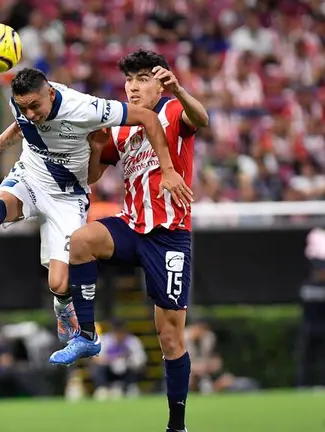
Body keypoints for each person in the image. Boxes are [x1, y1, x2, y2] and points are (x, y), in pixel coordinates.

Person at [0, 67, 192, 352]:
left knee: (60, 283)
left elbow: (147, 117)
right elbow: (20, 126)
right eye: (24, 107)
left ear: (50, 93)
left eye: (35, 106)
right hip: (31, 176)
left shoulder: (86, 108)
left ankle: (63, 308)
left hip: (68, 197)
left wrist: (169, 170)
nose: (31, 113)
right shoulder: (21, 101)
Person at [51, 50, 209, 432]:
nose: (134, 87)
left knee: (170, 336)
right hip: (131, 226)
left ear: (160, 83)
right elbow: (91, 177)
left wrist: (180, 89)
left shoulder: (172, 110)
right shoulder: (120, 123)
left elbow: (201, 119)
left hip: (169, 235)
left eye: (143, 79)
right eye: (130, 80)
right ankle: (86, 335)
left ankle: (177, 425)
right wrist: (93, 145)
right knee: (82, 240)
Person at [296, 258, 325, 387]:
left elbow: (302, 305)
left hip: (308, 327)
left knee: (306, 361)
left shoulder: (304, 286)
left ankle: (303, 385)